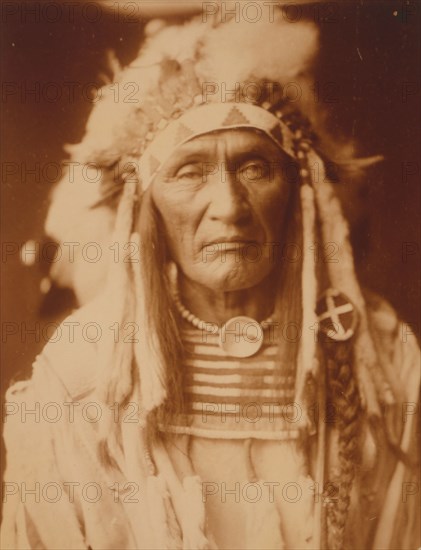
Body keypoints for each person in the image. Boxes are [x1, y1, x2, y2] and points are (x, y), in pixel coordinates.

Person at [2, 11, 419, 550]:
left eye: (254, 168)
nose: (228, 207)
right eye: (189, 171)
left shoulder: (381, 360)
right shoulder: (81, 374)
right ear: (144, 210)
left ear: (299, 194)